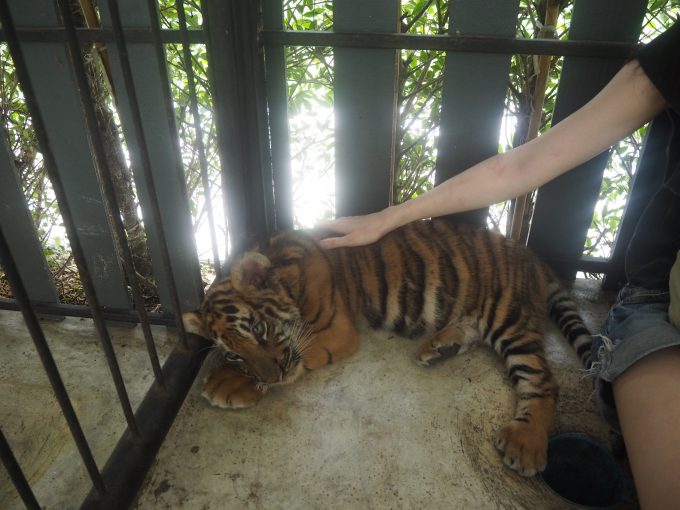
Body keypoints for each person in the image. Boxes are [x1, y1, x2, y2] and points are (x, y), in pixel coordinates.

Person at [319, 21, 680, 510]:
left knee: (509, 317)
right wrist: (388, 217)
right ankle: (478, 328)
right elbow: (518, 166)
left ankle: (530, 392)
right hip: (663, 306)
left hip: (525, 281)